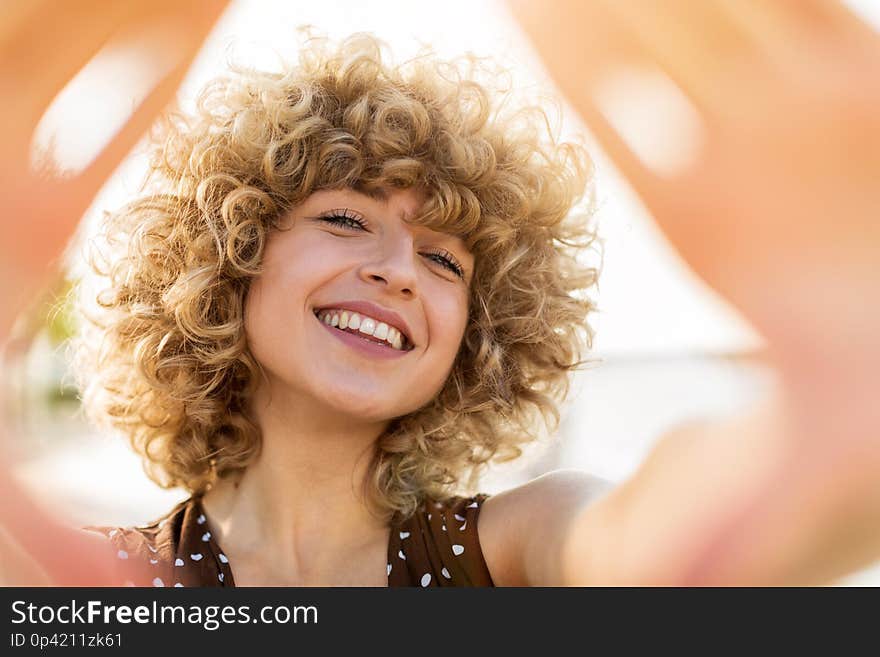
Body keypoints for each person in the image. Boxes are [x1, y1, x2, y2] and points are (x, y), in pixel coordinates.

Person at [1, 1, 878, 587]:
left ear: (479, 333)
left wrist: (846, 382)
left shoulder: (519, 545)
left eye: (447, 262)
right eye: (346, 220)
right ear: (231, 259)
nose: (398, 270)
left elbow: (647, 541)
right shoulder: (96, 581)